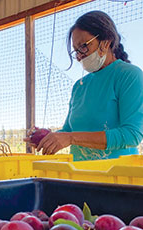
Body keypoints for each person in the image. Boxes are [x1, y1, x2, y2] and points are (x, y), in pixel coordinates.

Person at [27, 11, 143, 161]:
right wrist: (48, 138)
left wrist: (71, 138)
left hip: (116, 176)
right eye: (76, 50)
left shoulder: (128, 75)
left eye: (84, 46)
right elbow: (69, 131)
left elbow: (131, 135)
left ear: (106, 41)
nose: (79, 55)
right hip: (81, 175)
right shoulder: (79, 86)